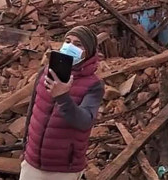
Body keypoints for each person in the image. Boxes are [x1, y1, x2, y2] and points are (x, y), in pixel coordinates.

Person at [20, 26, 105, 180]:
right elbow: (32, 111)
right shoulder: (46, 72)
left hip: (63, 169)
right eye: (68, 41)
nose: (70, 47)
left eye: (78, 44)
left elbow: (85, 121)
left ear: (89, 51)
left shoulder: (93, 85)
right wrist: (25, 149)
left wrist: (63, 97)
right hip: (32, 162)